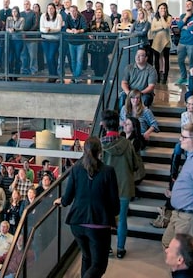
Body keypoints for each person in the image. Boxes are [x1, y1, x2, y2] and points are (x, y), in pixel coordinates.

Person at [54, 136, 119, 278]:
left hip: (77, 223)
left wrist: (62, 201)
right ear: (100, 151)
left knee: (86, 257)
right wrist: (113, 215)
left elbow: (68, 197)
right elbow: (115, 205)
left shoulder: (76, 168)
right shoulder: (108, 171)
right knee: (99, 265)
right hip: (98, 224)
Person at [100, 110, 141, 259]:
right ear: (118, 124)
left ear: (104, 125)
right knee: (122, 219)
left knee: (105, 219)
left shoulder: (100, 145)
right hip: (124, 186)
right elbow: (136, 165)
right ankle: (120, 249)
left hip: (105, 188)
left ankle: (108, 248)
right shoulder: (128, 144)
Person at [175, 0, 193, 85]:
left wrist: (185, 27)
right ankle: (183, 77)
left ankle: (191, 78)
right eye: (186, 4)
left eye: (189, 4)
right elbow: (179, 26)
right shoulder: (183, 15)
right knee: (180, 60)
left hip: (192, 43)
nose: (187, 6)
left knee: (191, 61)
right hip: (182, 42)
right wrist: (186, 17)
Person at [150, 4, 173, 84]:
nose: (162, 9)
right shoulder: (155, 18)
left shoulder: (169, 17)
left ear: (166, 9)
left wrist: (162, 17)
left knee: (166, 59)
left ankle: (165, 77)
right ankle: (157, 77)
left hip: (166, 41)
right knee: (156, 60)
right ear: (158, 9)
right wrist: (161, 27)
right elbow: (152, 29)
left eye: (164, 8)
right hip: (157, 41)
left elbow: (166, 26)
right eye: (161, 8)